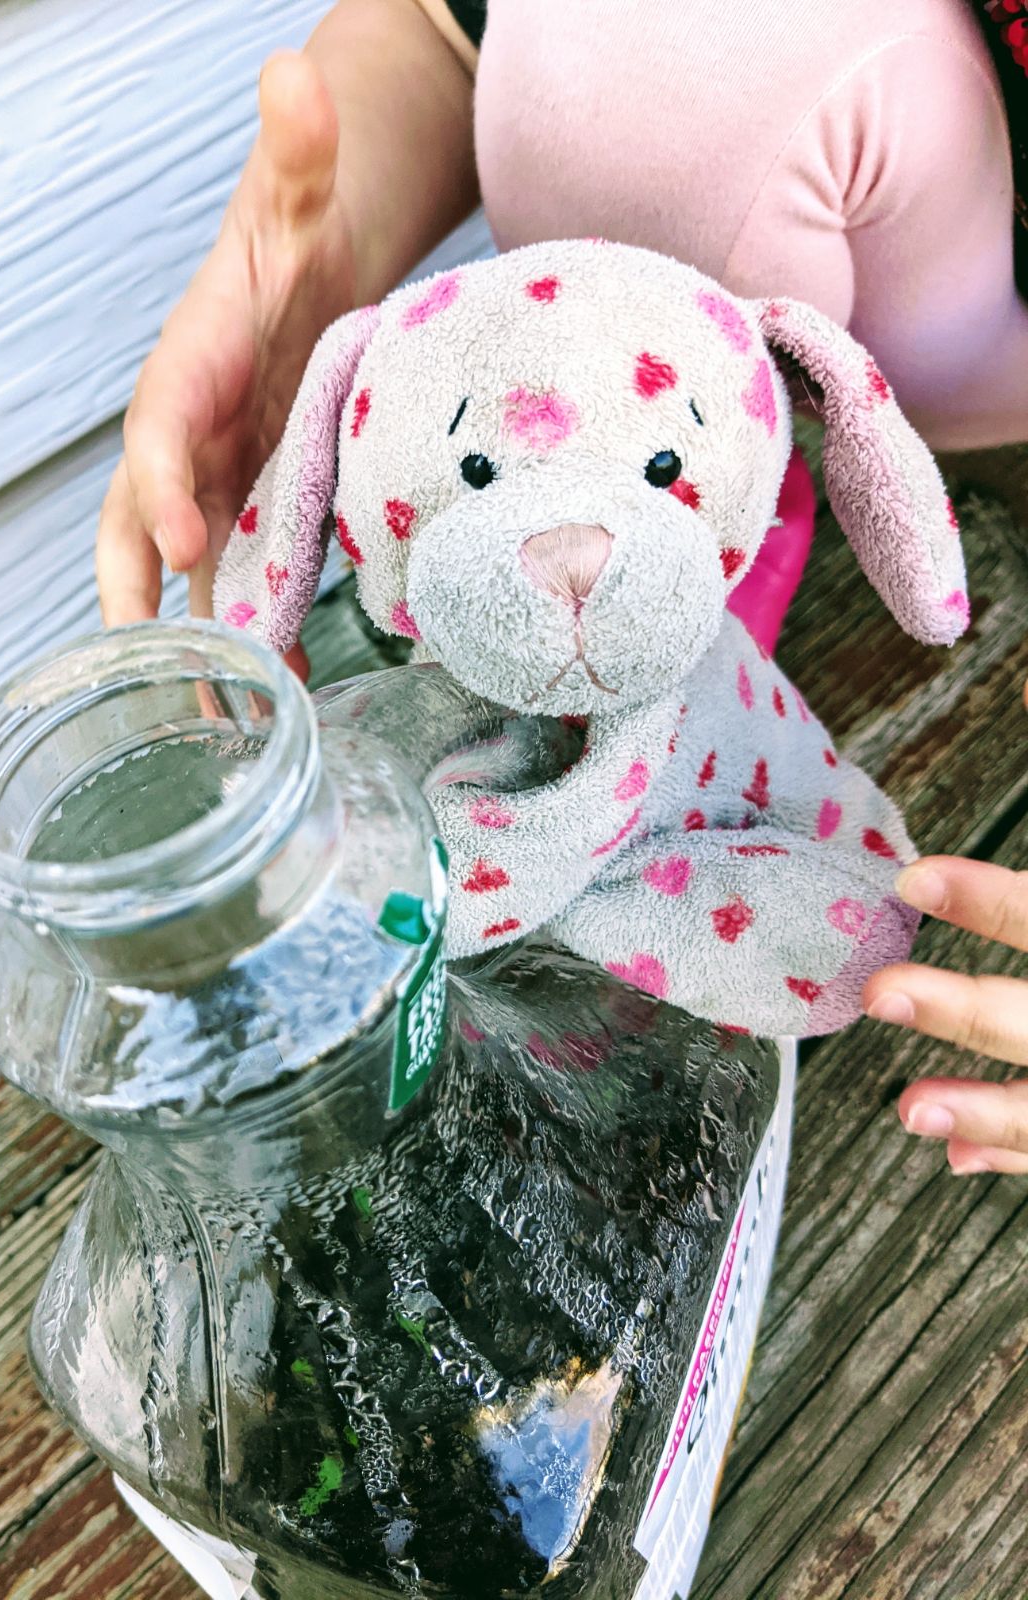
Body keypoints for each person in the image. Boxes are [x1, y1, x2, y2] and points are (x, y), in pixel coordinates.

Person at [96, 0, 1028, 1171]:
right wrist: (328, 246)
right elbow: (444, 27)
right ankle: (695, 501)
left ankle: (708, 509)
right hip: (916, 187)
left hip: (968, 287)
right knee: (654, 51)